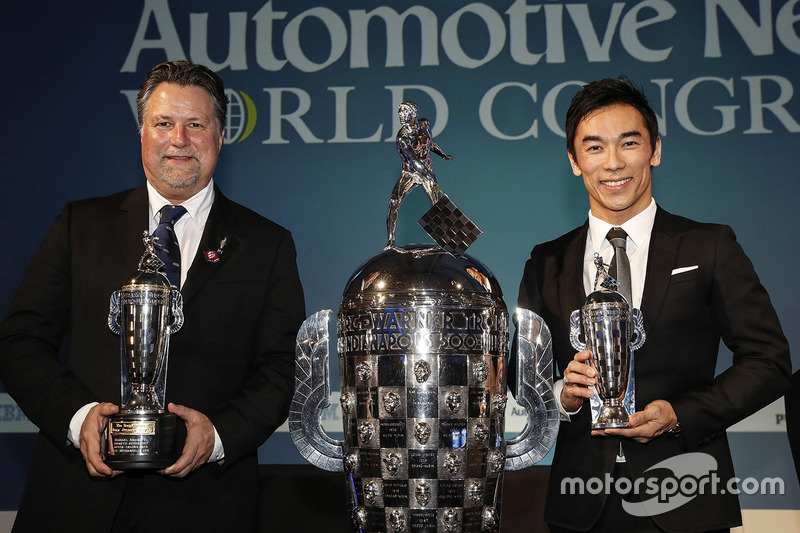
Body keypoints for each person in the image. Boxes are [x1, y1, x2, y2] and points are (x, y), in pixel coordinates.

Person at [0, 60, 306, 532]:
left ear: (220, 136)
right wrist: (78, 417)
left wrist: (219, 435)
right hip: (76, 501)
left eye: (196, 125)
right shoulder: (80, 227)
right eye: (164, 123)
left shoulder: (267, 244)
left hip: (205, 506)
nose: (179, 139)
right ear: (142, 132)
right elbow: (19, 342)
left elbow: (283, 368)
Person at [516, 77, 791, 532]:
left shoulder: (709, 246)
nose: (614, 163)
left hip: (688, 496)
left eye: (629, 143)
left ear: (655, 150)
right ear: (574, 161)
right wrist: (562, 396)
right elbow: (522, 374)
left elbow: (769, 359)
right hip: (581, 506)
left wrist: (680, 415)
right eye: (595, 148)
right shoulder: (546, 262)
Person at [386, 101, 454, 246]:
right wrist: (428, 177)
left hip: (426, 169)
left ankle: (446, 241)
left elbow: (429, 144)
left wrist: (442, 155)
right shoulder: (402, 137)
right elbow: (414, 160)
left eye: (405, 112)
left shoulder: (424, 125)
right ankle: (391, 241)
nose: (401, 116)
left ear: (414, 113)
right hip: (410, 172)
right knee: (394, 203)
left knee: (436, 203)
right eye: (400, 113)